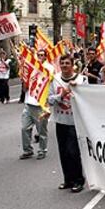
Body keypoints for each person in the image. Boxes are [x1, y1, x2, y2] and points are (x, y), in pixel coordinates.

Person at [48, 54, 87, 193]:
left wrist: (79, 91)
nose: (64, 65)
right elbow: (49, 100)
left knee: (73, 152)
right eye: (62, 63)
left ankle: (78, 180)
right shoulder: (55, 79)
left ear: (72, 65)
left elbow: (89, 99)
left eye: (67, 63)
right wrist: (61, 95)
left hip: (75, 122)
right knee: (63, 152)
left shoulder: (82, 79)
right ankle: (68, 180)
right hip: (60, 121)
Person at [19, 49, 54, 160]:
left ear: (45, 57)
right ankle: (28, 150)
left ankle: (42, 150)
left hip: (41, 106)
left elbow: (49, 81)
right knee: (24, 128)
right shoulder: (31, 68)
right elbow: (25, 88)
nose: (39, 57)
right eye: (38, 55)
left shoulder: (48, 68)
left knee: (41, 131)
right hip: (29, 104)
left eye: (42, 55)